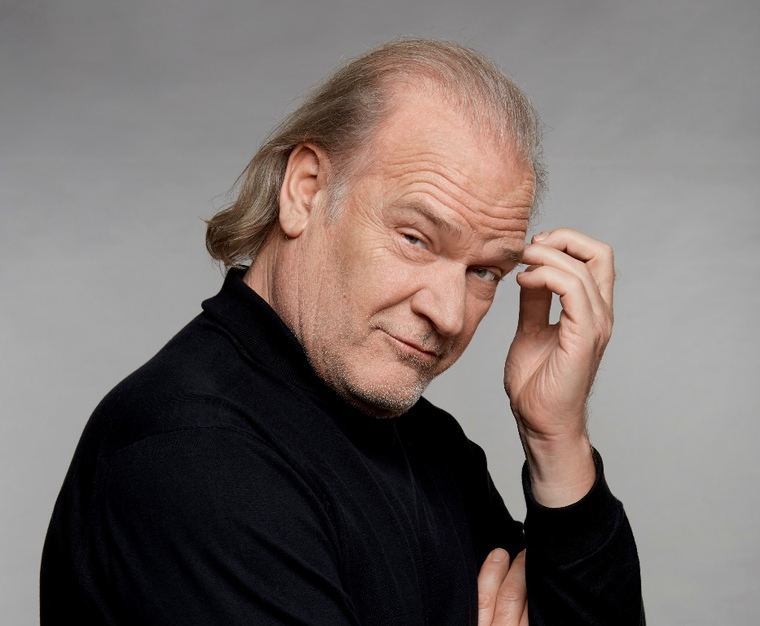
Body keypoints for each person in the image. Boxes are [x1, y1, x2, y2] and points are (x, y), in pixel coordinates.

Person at [40, 38, 644, 625]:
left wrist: (554, 438)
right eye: (415, 238)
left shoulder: (432, 446)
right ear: (305, 191)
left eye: (484, 271)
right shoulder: (193, 452)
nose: (450, 314)